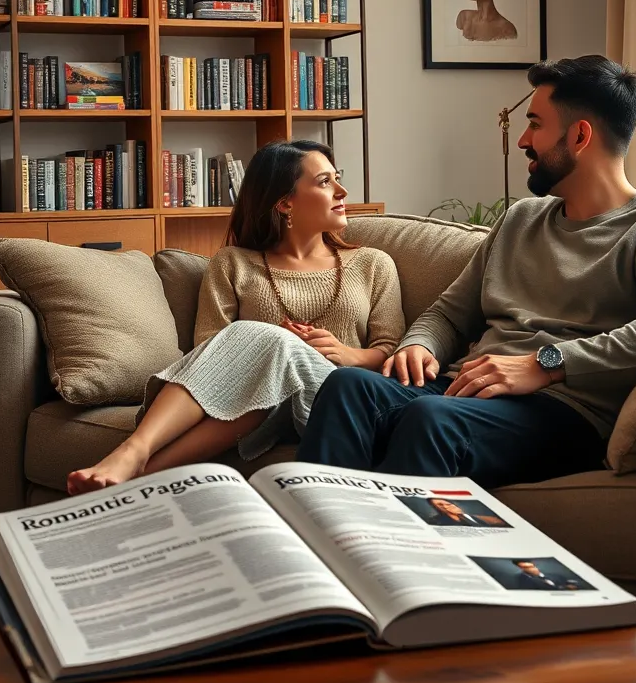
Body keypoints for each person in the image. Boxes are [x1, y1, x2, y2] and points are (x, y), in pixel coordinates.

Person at [297, 55, 636, 489]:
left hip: (565, 411)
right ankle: (308, 546)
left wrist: (547, 364)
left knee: (432, 420)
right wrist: (419, 345)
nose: (522, 139)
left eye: (535, 124)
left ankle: (381, 553)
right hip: (467, 393)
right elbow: (448, 314)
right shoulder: (520, 220)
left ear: (579, 136)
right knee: (348, 387)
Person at [67, 140, 405, 495]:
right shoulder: (233, 262)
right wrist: (272, 344)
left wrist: (347, 354)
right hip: (260, 400)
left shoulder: (372, 264)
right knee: (262, 359)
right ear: (285, 201)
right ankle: (139, 476)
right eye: (324, 182)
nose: (342, 190)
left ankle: (133, 450)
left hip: (335, 394)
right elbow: (210, 349)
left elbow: (393, 350)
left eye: (337, 179)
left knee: (265, 344)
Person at [423, 497, 506, 528]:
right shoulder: (436, 521)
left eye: (447, 504)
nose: (445, 506)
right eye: (440, 505)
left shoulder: (485, 519)